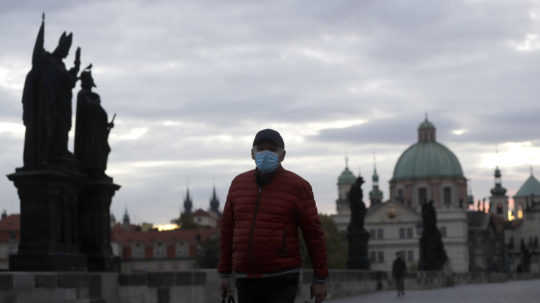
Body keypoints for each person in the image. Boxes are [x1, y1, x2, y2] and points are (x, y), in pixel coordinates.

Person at [218, 129, 328, 303]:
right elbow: (227, 231)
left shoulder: (298, 186)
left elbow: (314, 235)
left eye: (272, 149)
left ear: (282, 155)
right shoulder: (238, 184)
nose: (266, 153)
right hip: (246, 276)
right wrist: (224, 272)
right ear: (252, 154)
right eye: (261, 149)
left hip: (283, 276)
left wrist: (320, 278)